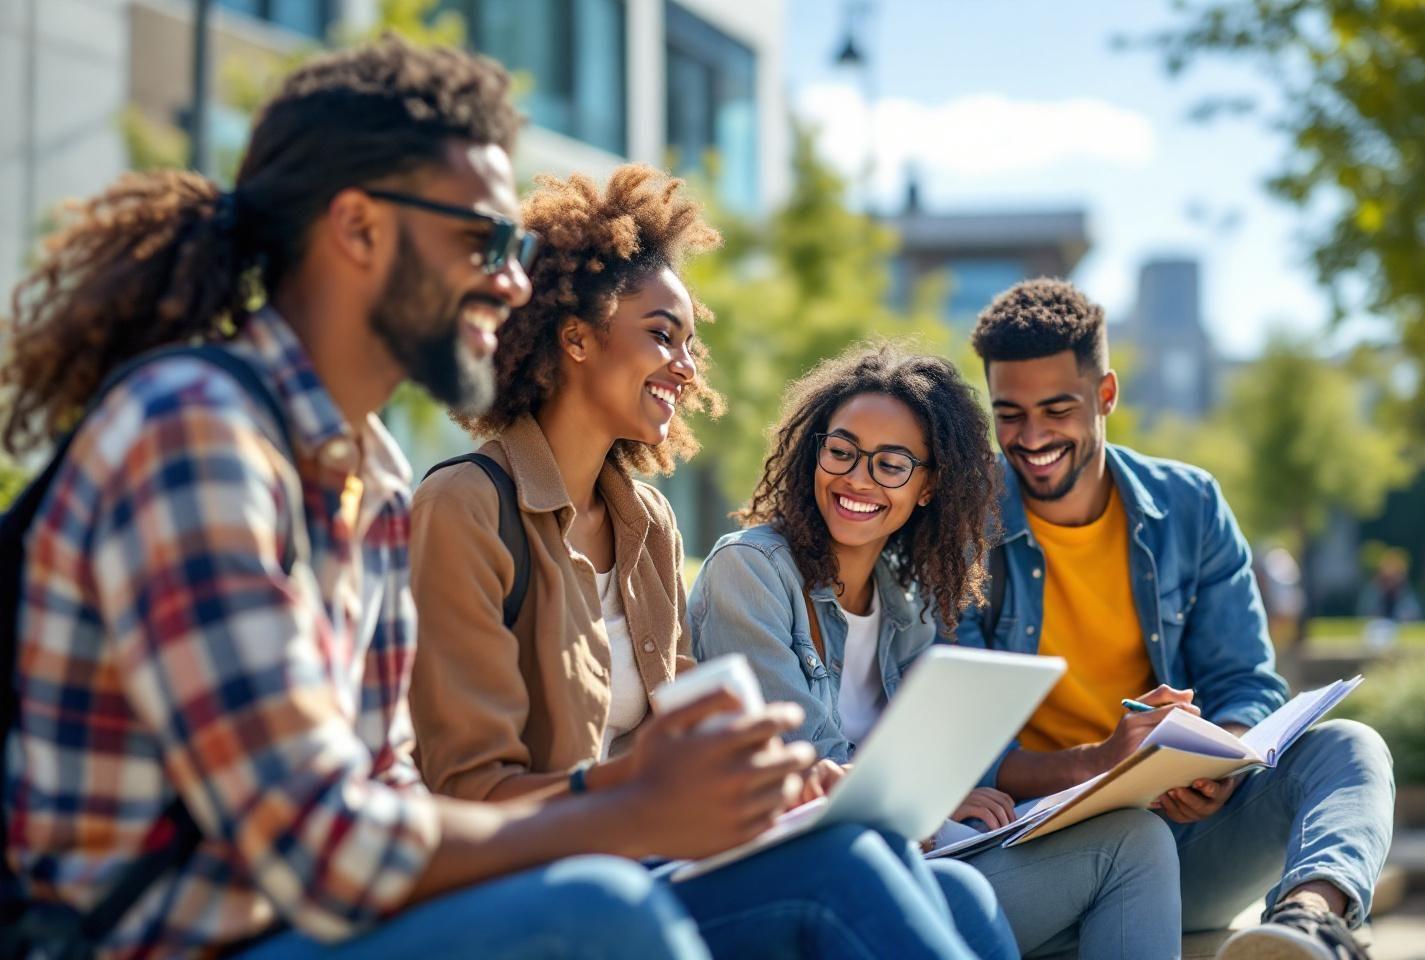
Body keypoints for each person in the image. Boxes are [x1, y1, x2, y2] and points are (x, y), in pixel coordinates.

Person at [3, 38, 787, 960]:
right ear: (360, 228)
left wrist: (678, 795)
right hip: (168, 942)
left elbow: (389, 792)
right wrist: (626, 807)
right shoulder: (194, 432)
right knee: (599, 914)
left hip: (318, 926)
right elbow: (323, 844)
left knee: (829, 869)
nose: (513, 280)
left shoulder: (367, 474)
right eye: (486, 241)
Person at [407, 166, 1008, 959]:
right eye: (662, 334)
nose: (688, 367)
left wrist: (785, 782)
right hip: (553, 884)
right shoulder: (466, 507)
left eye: (692, 343)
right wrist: (647, 793)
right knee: (844, 872)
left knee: (953, 884)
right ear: (575, 335)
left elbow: (696, 734)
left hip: (661, 852)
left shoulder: (648, 523)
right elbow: (468, 795)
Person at [688, 343, 1182, 959]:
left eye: (891, 464)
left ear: (928, 487)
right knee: (971, 887)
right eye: (841, 451)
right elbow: (805, 769)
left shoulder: (909, 600)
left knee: (1136, 839)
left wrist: (949, 792)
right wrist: (931, 800)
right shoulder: (751, 572)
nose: (857, 479)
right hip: (816, 878)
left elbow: (938, 757)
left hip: (919, 853)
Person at [954, 277, 1394, 960]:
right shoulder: (963, 528)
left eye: (1057, 408)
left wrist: (1214, 759)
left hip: (1188, 839)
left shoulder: (1189, 506)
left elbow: (1246, 680)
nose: (1032, 436)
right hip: (1040, 851)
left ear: (1105, 396)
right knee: (1131, 840)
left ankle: (1309, 927)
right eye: (1009, 413)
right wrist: (1100, 764)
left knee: (1351, 748)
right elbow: (963, 746)